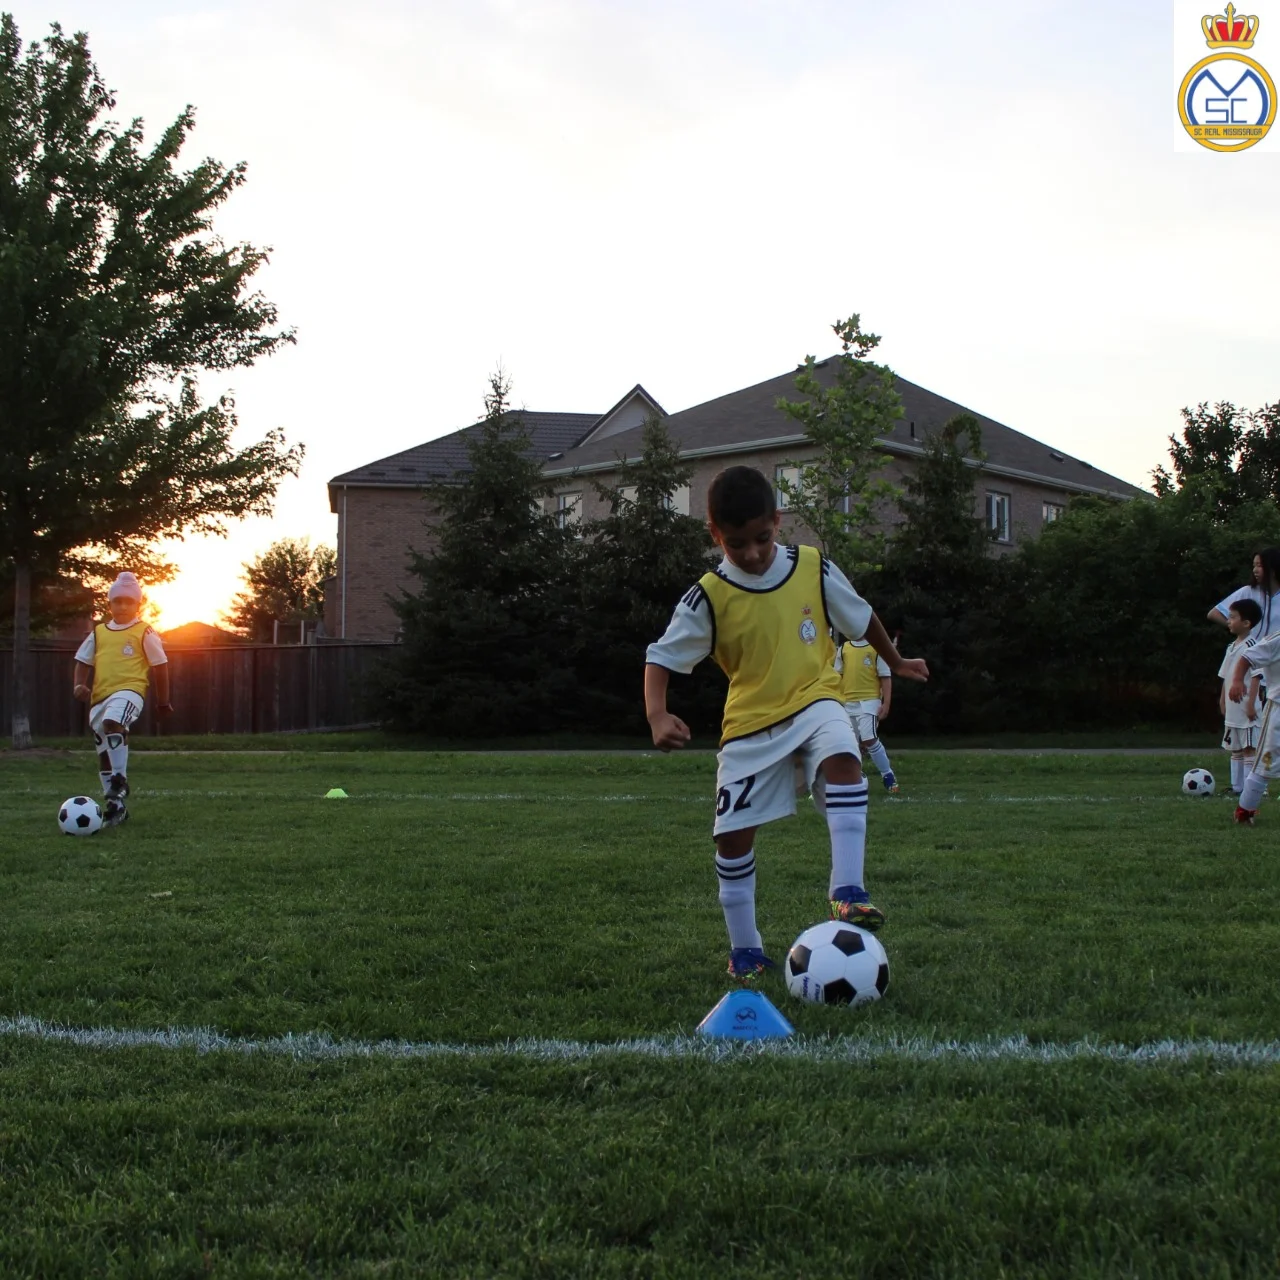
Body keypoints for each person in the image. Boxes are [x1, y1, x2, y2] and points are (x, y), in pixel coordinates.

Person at [643, 465, 929, 981]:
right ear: (715, 535)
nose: (752, 553)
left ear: (778, 522)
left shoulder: (813, 567)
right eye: (737, 544)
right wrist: (657, 713)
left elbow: (861, 618)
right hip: (750, 728)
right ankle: (746, 950)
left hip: (817, 698)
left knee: (845, 756)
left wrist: (898, 662)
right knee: (732, 840)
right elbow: (661, 656)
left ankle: (847, 891)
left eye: (762, 538)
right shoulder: (708, 594)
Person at [71, 572, 172, 827]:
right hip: (99, 697)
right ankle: (115, 809)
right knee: (104, 752)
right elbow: (82, 660)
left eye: (129, 601)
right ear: (110, 604)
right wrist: (79, 685)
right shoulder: (99, 632)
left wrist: (163, 701)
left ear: (138, 605)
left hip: (130, 691)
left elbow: (160, 666)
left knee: (114, 720)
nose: (123, 606)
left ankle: (120, 779)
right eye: (118, 601)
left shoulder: (144, 631)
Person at [1228, 550, 1280, 824]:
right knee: (1266, 762)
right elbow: (1248, 657)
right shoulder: (1276, 640)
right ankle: (1244, 810)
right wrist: (1237, 681)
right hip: (1278, 709)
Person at [838, 636, 899, 793]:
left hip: (869, 702)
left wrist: (886, 703)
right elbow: (836, 676)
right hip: (847, 703)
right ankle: (854, 777)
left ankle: (888, 775)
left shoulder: (876, 648)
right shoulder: (844, 648)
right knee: (850, 743)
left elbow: (885, 678)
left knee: (869, 739)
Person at [1219, 598, 1262, 796]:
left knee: (1249, 749)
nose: (1228, 620)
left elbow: (1256, 677)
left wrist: (1252, 703)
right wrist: (1222, 700)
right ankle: (1237, 788)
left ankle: (1251, 789)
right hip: (1233, 710)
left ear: (1246, 623)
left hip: (1246, 709)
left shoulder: (1253, 646)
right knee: (1235, 749)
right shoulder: (1231, 647)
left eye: (1233, 617)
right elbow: (1225, 676)